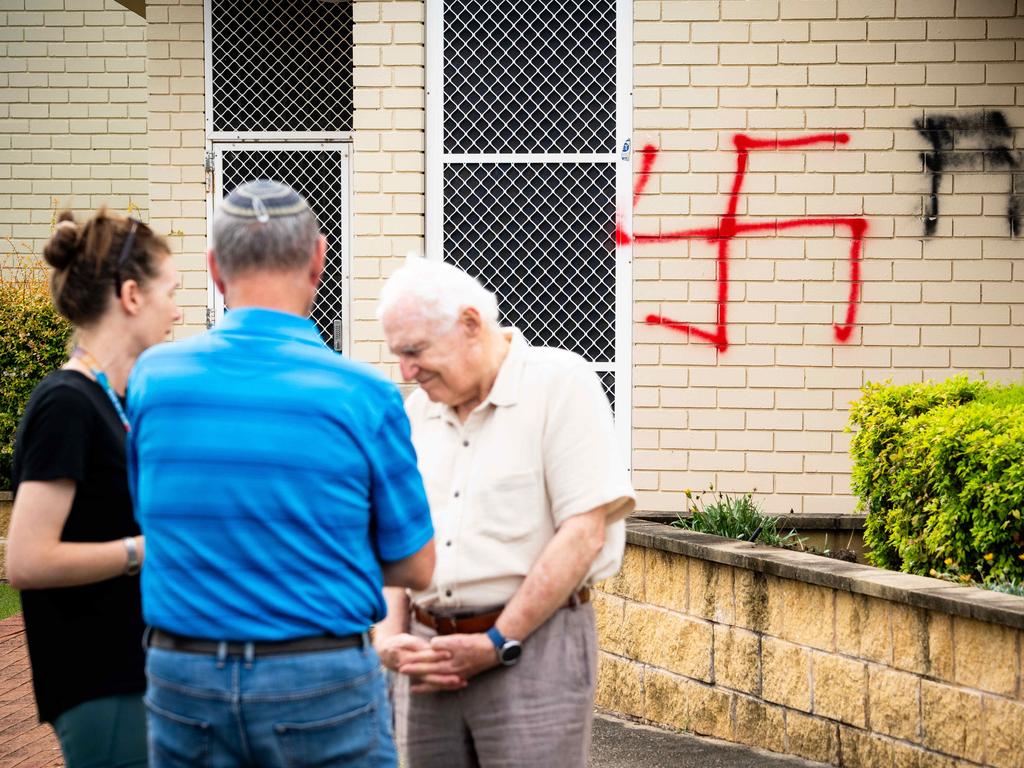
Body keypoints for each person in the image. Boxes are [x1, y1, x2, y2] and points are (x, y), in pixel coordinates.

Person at [127, 180, 435, 768]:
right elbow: (417, 564)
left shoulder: (152, 380)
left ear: (216, 268)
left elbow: (150, 515)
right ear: (320, 260)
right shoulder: (363, 394)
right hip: (320, 679)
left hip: (183, 674)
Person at [375, 257, 636, 768]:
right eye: (398, 355)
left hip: (534, 650)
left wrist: (496, 642)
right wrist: (391, 639)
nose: (406, 371)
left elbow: (583, 534)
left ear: (471, 324)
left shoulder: (561, 383)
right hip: (427, 659)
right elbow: (396, 539)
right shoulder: (416, 414)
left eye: (415, 351)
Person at [7, 209, 180, 767]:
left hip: (134, 671)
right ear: (132, 295)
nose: (176, 312)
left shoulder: (112, 402)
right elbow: (27, 560)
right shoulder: (66, 405)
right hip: (100, 682)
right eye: (170, 292)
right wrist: (144, 550)